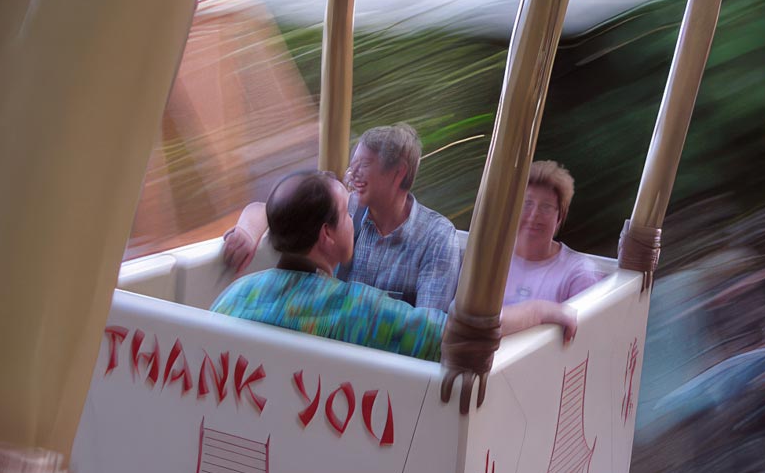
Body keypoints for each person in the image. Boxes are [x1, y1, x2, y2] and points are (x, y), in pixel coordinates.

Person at [212, 171, 576, 361]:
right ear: (326, 235)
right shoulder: (357, 310)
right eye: (345, 214)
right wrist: (539, 311)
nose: (354, 220)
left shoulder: (235, 296)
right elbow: (456, 335)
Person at [222, 124, 461, 312]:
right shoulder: (348, 206)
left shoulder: (437, 238)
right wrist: (246, 231)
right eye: (352, 165)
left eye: (363, 165)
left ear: (398, 173)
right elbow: (280, 208)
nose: (351, 174)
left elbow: (429, 331)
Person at [504, 160, 604, 305]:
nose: (534, 215)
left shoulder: (579, 275)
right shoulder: (488, 260)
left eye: (546, 207)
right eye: (527, 204)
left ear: (559, 218)